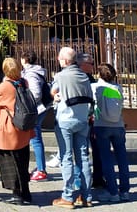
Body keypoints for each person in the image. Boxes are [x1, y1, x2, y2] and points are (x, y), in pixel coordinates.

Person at [50, 47, 94, 208]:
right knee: (83, 157)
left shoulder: (60, 76)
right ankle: (86, 195)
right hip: (82, 120)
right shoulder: (84, 76)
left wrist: (55, 96)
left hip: (65, 120)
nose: (58, 59)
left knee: (66, 157)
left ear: (66, 61)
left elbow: (53, 91)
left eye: (60, 57)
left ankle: (67, 196)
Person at [0, 57, 35, 206]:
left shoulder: (4, 86)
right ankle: (26, 191)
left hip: (8, 125)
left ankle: (16, 193)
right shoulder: (24, 83)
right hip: (23, 125)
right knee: (23, 159)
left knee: (8, 159)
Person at [91, 63, 130, 202]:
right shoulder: (118, 88)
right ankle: (125, 191)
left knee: (106, 159)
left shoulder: (95, 87)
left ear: (99, 74)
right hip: (118, 125)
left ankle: (112, 192)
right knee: (122, 158)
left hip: (101, 125)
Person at [19, 50, 50, 182]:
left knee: (35, 139)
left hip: (36, 109)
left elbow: (36, 93)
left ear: (24, 60)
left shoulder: (31, 74)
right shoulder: (36, 72)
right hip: (41, 108)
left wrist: (27, 103)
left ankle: (41, 170)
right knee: (35, 138)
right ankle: (40, 168)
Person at [77, 52, 104, 189]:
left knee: (93, 149)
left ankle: (96, 177)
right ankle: (85, 179)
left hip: (90, 117)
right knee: (85, 150)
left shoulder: (89, 78)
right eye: (91, 63)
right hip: (86, 118)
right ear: (83, 64)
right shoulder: (83, 78)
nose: (94, 66)